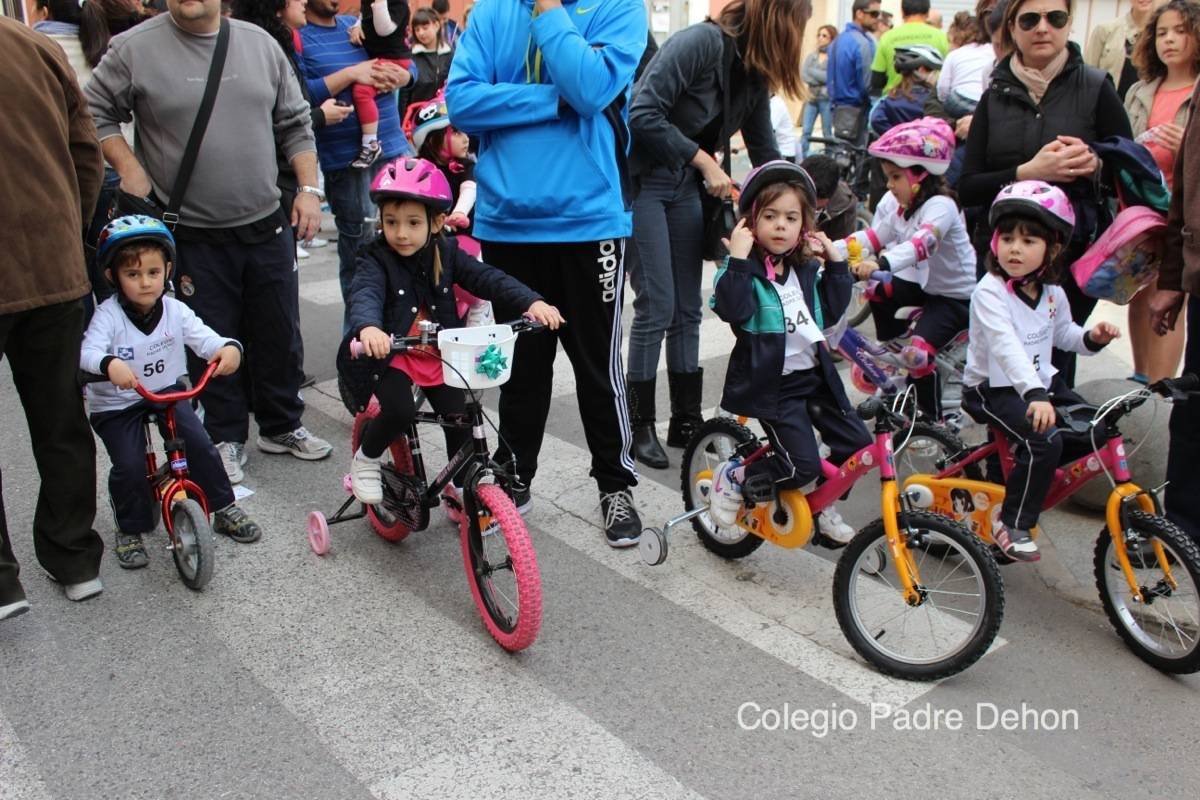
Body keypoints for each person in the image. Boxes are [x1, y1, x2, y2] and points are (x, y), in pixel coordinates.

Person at [88, 0, 333, 486]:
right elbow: (91, 112)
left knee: (279, 332)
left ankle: (281, 425)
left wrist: (308, 190)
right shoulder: (133, 48)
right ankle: (225, 436)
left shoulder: (260, 44)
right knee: (210, 339)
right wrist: (130, 171)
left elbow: (295, 123)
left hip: (266, 222)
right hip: (190, 230)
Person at [445, 0, 649, 546]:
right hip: (510, 222)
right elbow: (462, 103)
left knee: (597, 365)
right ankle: (514, 480)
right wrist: (548, 99)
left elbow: (588, 89)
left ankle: (615, 485)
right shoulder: (490, 12)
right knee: (522, 367)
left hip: (591, 222)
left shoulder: (620, 8)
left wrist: (548, 12)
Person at [625, 1, 800, 470]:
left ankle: (685, 420)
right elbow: (641, 112)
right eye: (794, 24)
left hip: (684, 189)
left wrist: (804, 207)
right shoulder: (701, 42)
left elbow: (765, 151)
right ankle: (637, 424)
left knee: (687, 309)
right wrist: (704, 160)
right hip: (643, 183)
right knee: (656, 305)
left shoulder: (752, 69)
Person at [345, 158, 564, 510]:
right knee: (399, 410)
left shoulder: (446, 252)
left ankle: (461, 486)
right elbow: (365, 293)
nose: (401, 233)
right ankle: (366, 459)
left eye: (413, 223)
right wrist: (370, 328)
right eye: (391, 222)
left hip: (435, 353)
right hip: (392, 353)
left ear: (436, 222)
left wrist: (531, 301)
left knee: (459, 416)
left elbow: (487, 278)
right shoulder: (375, 258)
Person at [958, 0, 1132, 386]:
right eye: (1030, 19)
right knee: (1003, 366)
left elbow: (1129, 163)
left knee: (1056, 361)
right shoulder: (994, 94)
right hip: (1002, 257)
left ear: (1068, 24)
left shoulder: (1095, 85)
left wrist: (1096, 161)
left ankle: (1056, 444)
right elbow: (967, 186)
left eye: (1054, 18)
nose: (1042, 28)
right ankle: (1009, 445)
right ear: (1012, 30)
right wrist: (1027, 172)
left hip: (1070, 254)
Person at [82, 217, 263, 567]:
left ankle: (223, 507)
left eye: (153, 272)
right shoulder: (108, 316)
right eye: (133, 275)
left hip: (167, 392)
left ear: (167, 269)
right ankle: (130, 527)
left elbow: (204, 337)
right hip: (118, 403)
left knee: (200, 445)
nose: (145, 282)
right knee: (130, 466)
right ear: (112, 277)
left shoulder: (176, 310)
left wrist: (227, 348)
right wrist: (107, 364)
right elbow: (87, 352)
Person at [1, 15, 105, 617]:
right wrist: (70, 230)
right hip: (51, 265)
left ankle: (1, 583)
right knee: (61, 420)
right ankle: (74, 559)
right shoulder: (34, 45)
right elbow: (85, 151)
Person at [707, 160, 869, 545]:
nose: (781, 225)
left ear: (804, 226)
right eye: (770, 215)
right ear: (750, 223)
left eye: (791, 217)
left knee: (859, 447)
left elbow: (830, 312)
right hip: (773, 387)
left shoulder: (804, 270)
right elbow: (733, 310)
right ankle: (734, 477)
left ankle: (823, 503)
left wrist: (836, 264)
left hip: (815, 379)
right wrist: (740, 261)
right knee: (800, 464)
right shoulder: (741, 272)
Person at [962, 181, 1120, 561]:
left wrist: (1093, 338)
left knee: (1096, 429)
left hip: (1039, 383)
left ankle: (1020, 478)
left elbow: (1064, 335)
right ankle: (1012, 521)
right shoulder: (990, 291)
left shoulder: (1052, 293)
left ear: (1053, 249)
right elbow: (1006, 346)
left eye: (1029, 241)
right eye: (1008, 238)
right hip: (992, 388)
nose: (1015, 248)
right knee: (1045, 439)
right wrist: (1034, 395)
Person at [847, 118, 976, 422]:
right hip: (928, 290)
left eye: (894, 177)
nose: (889, 186)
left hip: (957, 299)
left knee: (917, 356)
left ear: (920, 175)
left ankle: (931, 420)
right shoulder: (903, 206)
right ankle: (892, 351)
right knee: (877, 289)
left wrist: (878, 263)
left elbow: (923, 244)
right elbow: (873, 236)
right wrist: (824, 247)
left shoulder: (941, 205)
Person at [300, 0, 413, 335]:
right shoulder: (298, 38)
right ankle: (361, 340)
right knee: (361, 255)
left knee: (408, 245)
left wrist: (403, 75)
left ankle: (405, 331)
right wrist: (351, 74)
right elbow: (301, 93)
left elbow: (405, 59)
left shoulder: (356, 24)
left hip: (395, 150)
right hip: (348, 164)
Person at [33, 0, 147, 312]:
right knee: (114, 272)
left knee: (76, 278)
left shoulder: (36, 49)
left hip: (65, 181)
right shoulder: (110, 47)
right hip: (116, 173)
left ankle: (90, 355)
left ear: (44, 12)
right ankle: (123, 348)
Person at [1124, 0, 1197, 385]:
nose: (1169, 40)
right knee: (1138, 292)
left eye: (1181, 31)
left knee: (1173, 294)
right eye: (1162, 32)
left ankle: (1162, 383)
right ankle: (1140, 377)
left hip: (1185, 210)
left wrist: (1189, 142)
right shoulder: (1140, 89)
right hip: (1140, 208)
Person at [348, 0, 413, 168]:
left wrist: (380, 4)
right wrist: (356, 26)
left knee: (362, 91)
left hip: (394, 58)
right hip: (383, 56)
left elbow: (384, 29)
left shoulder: (397, 4)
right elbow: (364, 16)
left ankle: (370, 144)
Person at [410, 99, 476, 235]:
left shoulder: (465, 166)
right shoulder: (416, 168)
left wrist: (459, 212)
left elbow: (470, 188)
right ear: (433, 139)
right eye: (457, 132)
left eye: (465, 131)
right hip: (427, 233)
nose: (466, 138)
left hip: (464, 234)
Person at [870, 0, 950, 97]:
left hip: (893, 101)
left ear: (902, 12)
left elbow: (877, 80)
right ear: (928, 13)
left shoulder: (887, 37)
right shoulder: (941, 37)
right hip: (929, 103)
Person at [1085, 0, 1159, 102]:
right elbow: (1087, 76)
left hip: (1141, 109)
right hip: (1105, 106)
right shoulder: (1105, 30)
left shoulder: (1160, 35)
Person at [827, 0, 880, 141]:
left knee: (841, 155)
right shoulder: (863, 43)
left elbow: (831, 79)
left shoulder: (837, 40)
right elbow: (867, 83)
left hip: (838, 108)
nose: (878, 19)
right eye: (874, 14)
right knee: (857, 158)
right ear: (859, 14)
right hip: (858, 110)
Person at [869, 44, 944, 135]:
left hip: (893, 147)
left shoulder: (890, 98)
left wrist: (895, 137)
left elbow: (875, 120)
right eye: (935, 72)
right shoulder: (934, 100)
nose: (937, 76)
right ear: (922, 70)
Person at [938, 4, 996, 118]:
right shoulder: (993, 49)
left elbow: (942, 88)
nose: (949, 46)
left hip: (960, 102)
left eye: (950, 41)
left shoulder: (954, 55)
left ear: (956, 37)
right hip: (987, 103)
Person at [404, 6, 454, 111]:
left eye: (425, 27)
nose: (421, 33)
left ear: (436, 25)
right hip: (415, 117)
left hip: (443, 116)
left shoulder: (449, 54)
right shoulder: (411, 56)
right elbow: (404, 94)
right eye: (417, 29)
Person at [802, 153, 858, 240]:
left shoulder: (844, 207)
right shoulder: (782, 193)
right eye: (806, 205)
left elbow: (842, 246)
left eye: (817, 208)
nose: (811, 212)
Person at [800, 24, 836, 157]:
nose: (821, 38)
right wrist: (820, 77)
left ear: (831, 38)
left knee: (827, 133)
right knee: (806, 131)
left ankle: (830, 159)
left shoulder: (833, 57)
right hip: (811, 98)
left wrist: (814, 73)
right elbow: (804, 74)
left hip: (826, 99)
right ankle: (802, 159)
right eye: (819, 35)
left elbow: (829, 77)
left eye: (824, 36)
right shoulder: (812, 56)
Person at [769, 95, 799, 163]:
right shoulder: (772, 102)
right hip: (780, 152)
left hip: (784, 153)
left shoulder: (776, 104)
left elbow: (769, 131)